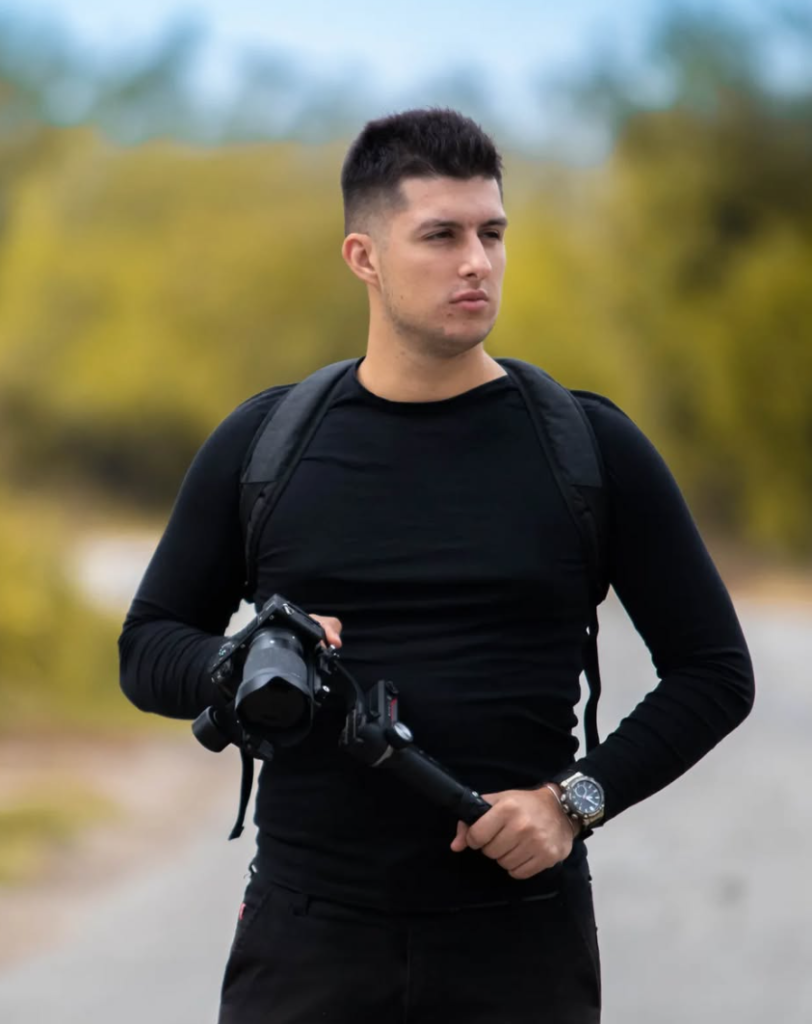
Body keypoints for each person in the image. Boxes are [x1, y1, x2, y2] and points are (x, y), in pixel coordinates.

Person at [118, 108, 755, 1023]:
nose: (477, 263)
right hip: (307, 939)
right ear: (365, 257)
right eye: (442, 236)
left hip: (520, 941)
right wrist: (237, 660)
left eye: (492, 233)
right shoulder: (264, 446)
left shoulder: (588, 447)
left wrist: (574, 802)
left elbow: (714, 673)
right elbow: (147, 646)